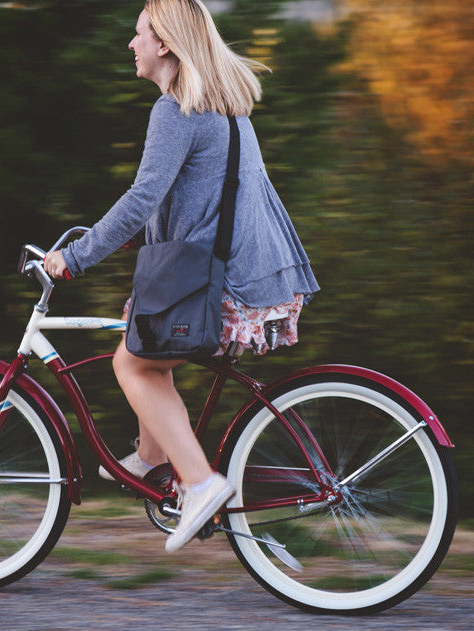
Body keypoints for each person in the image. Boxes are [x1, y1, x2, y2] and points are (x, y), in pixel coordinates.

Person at [43, 0, 318, 552]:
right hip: (253, 271)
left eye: (139, 34)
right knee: (146, 349)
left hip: (221, 282)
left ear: (165, 44)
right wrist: (133, 247)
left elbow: (142, 198)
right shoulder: (225, 110)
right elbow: (195, 200)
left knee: (132, 364)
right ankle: (152, 459)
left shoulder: (175, 111)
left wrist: (77, 255)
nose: (131, 44)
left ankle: (200, 483)